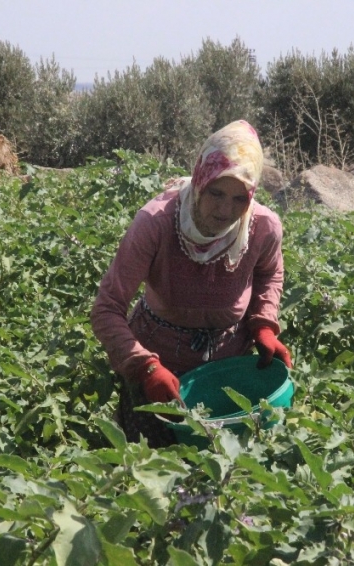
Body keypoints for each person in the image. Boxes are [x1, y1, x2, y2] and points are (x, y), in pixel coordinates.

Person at [91, 120, 292, 447]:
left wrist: (263, 324)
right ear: (200, 179)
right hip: (159, 369)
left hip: (229, 370)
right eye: (216, 193)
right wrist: (145, 368)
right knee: (154, 470)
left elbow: (270, 273)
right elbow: (106, 309)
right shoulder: (155, 223)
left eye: (240, 198)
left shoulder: (263, 227)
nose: (225, 210)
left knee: (228, 471)